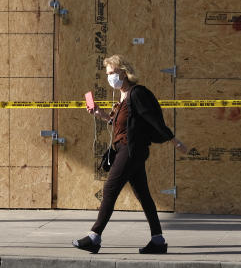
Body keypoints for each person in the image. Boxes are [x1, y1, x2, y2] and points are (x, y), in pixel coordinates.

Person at [73, 54, 189, 255]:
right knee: (143, 195)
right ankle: (158, 240)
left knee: (110, 189)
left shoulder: (137, 93)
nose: (110, 77)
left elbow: (153, 120)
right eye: (108, 74)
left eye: (113, 73)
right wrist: (100, 114)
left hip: (131, 150)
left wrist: (174, 140)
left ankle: (94, 237)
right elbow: (121, 124)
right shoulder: (123, 97)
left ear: (124, 73)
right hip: (126, 149)